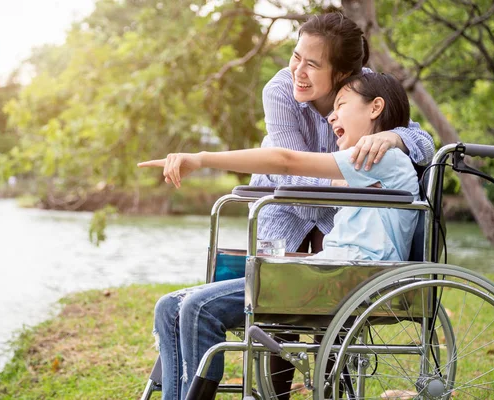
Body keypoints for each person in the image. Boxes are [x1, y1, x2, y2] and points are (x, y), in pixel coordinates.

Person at [138, 72, 420, 400]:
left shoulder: (381, 156)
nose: (331, 116)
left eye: (341, 105)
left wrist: (200, 159)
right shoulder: (369, 164)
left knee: (198, 308)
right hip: (330, 275)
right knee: (168, 306)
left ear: (375, 108)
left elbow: (286, 160)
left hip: (348, 282)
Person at [242, 12, 433, 398]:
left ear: (345, 72)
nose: (298, 70)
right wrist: (346, 183)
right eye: (296, 57)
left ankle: (328, 392)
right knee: (279, 313)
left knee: (333, 309)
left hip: (344, 211)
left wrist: (395, 138)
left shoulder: (361, 90)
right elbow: (293, 181)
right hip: (287, 206)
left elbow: (425, 142)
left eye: (312, 64)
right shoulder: (280, 91)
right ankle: (271, 395)